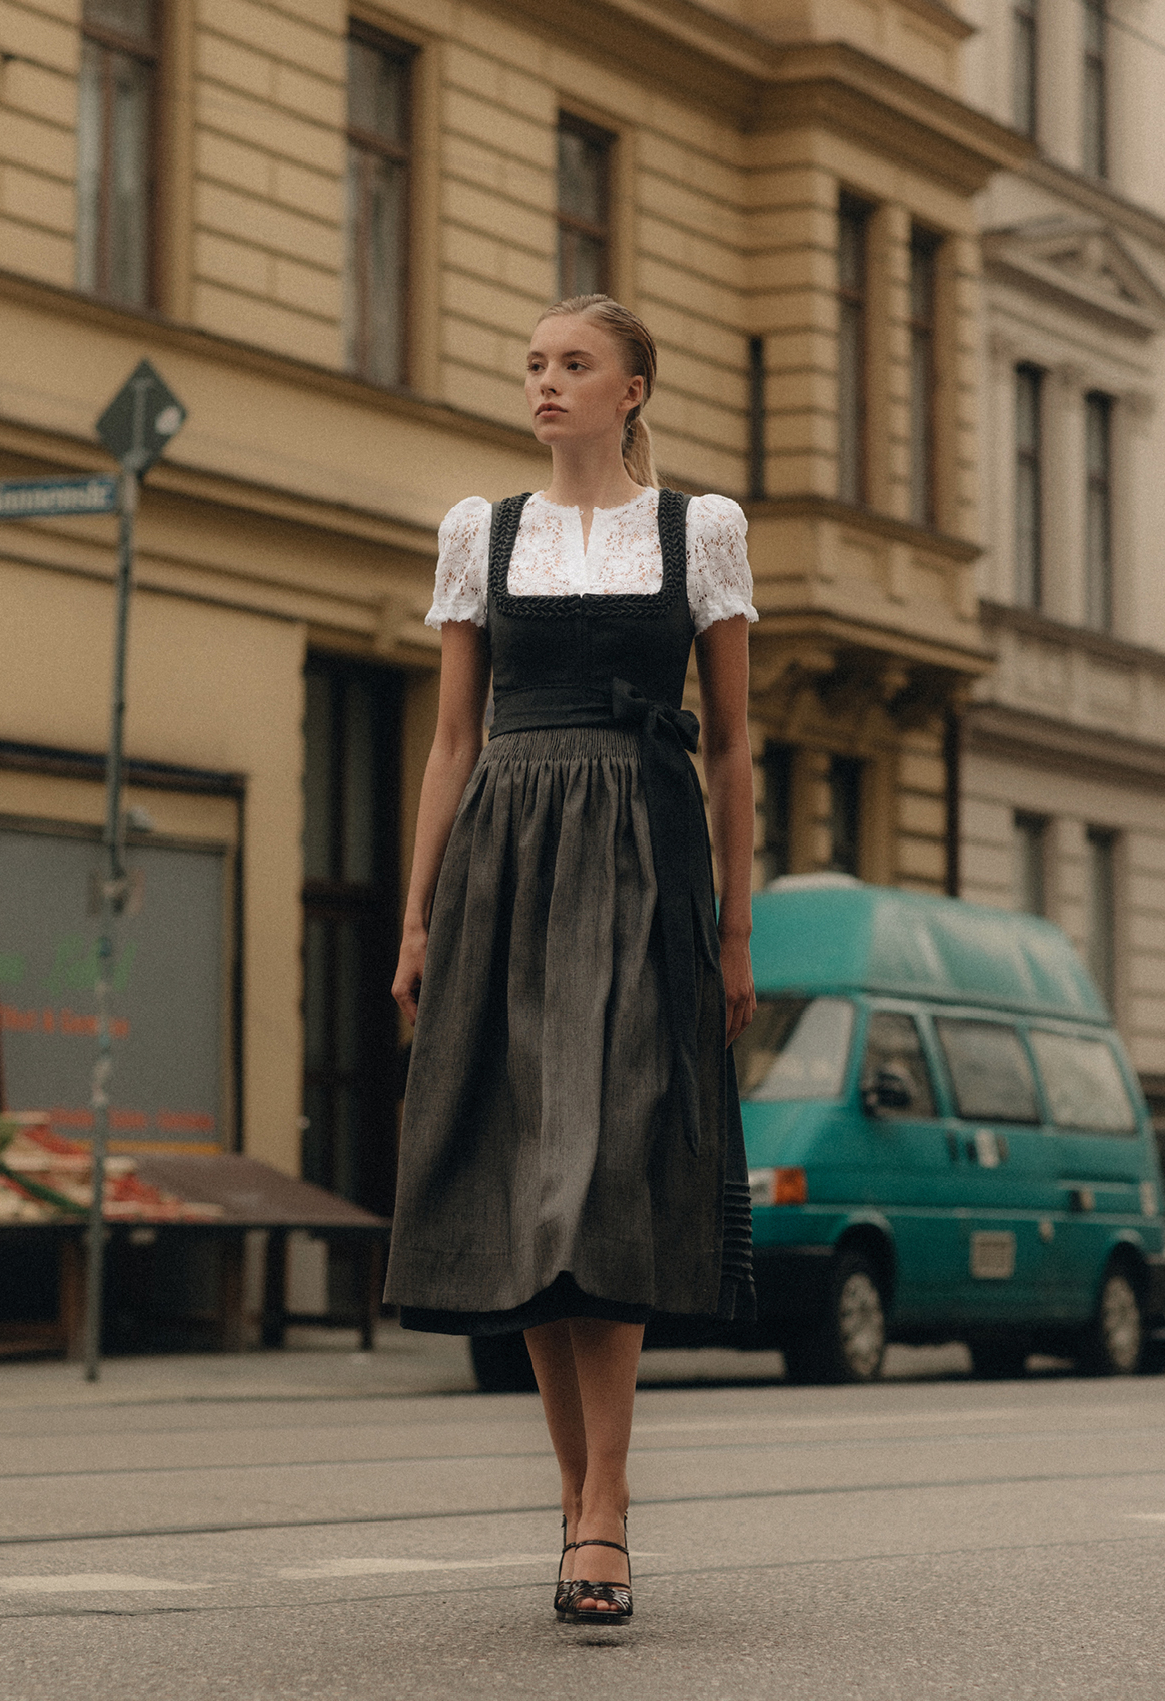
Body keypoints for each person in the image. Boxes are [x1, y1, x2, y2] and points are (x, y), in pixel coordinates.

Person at [385, 294, 757, 1625]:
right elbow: (448, 739)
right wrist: (420, 913)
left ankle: (606, 1501)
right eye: (536, 364)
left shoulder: (698, 530)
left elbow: (730, 749)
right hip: (509, 858)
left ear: (633, 389)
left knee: (603, 1165)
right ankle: (577, 1505)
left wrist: (734, 926)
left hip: (646, 852)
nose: (546, 383)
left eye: (575, 363)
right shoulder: (479, 534)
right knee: (533, 1183)